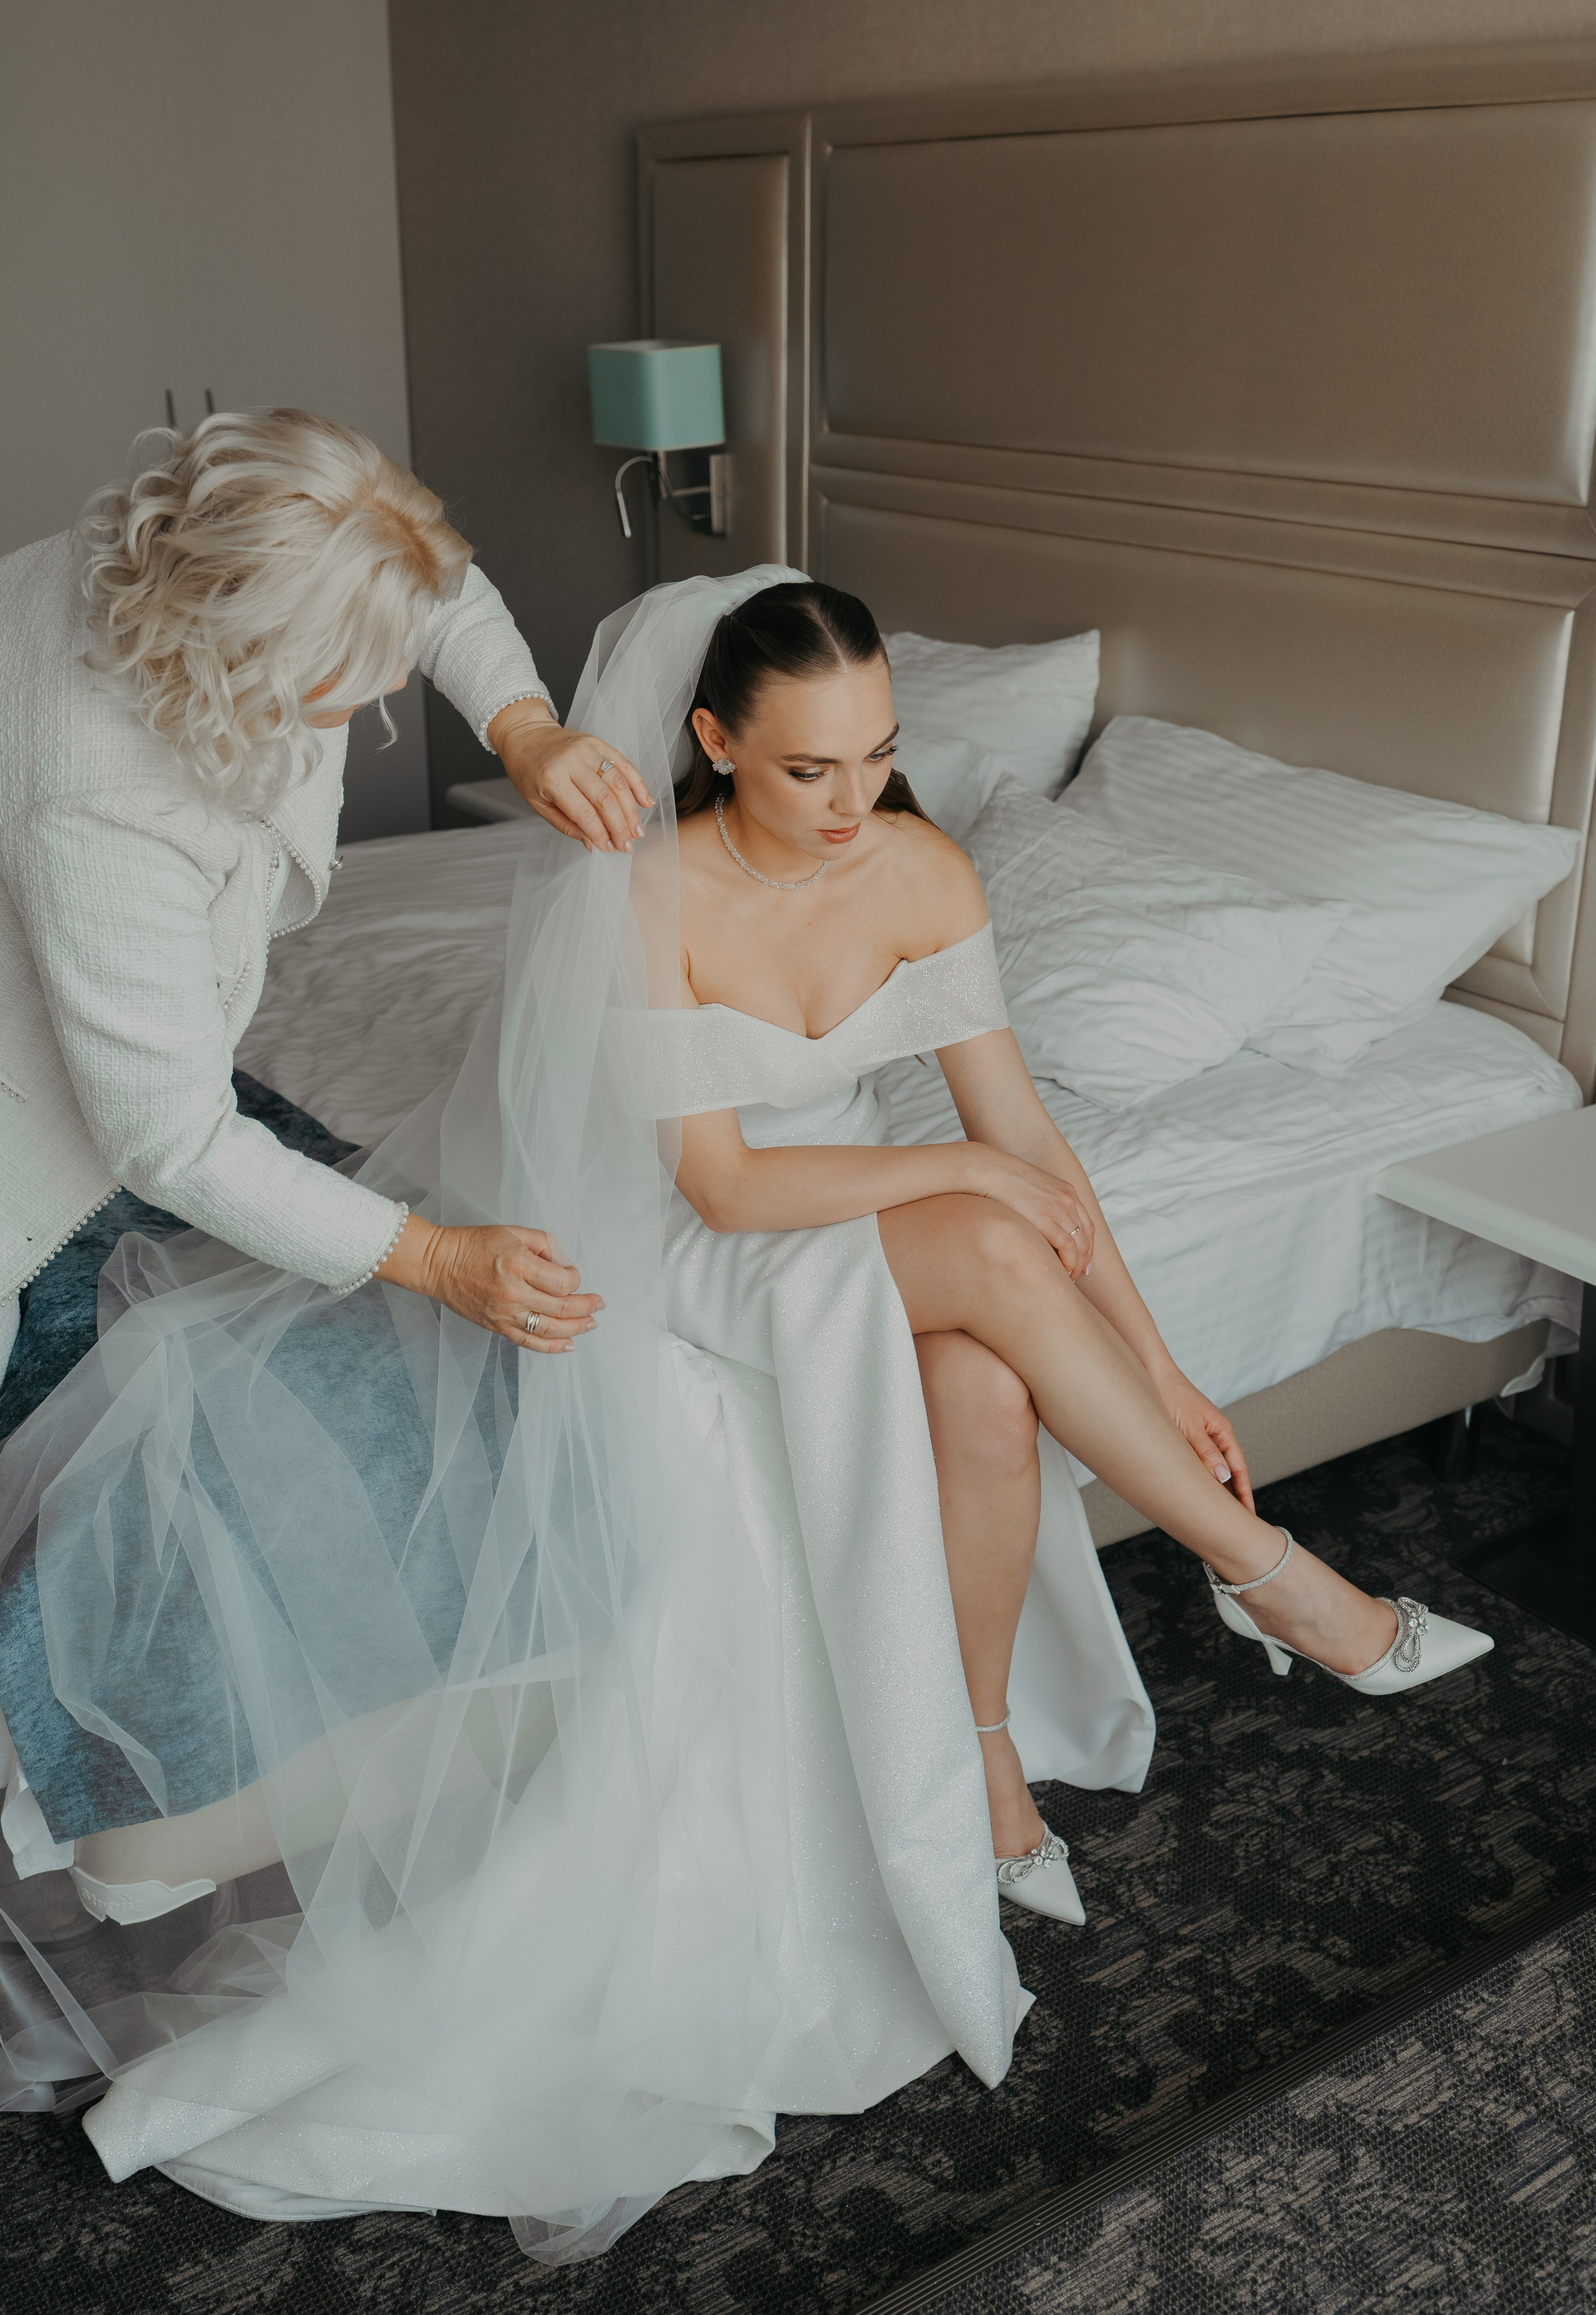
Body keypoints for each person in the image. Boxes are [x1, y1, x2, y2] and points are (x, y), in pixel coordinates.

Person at [0, 568, 1490, 2263]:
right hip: (689, 1240)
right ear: (713, 741)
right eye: (809, 768)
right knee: (990, 1243)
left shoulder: (923, 867)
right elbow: (719, 1184)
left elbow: (1029, 1138)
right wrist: (948, 1171)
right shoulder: (656, 892)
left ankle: (990, 1766)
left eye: (881, 755)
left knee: (988, 1378)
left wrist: (1161, 1370)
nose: (857, 802)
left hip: (852, 1212)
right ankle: (1275, 1579)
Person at [0, 407, 654, 1386]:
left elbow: (427, 591)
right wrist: (434, 1258)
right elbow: (171, 1142)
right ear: (251, 658)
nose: (395, 678)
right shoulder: (105, 809)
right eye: (361, 672)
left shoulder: (217, 532)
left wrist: (523, 726)